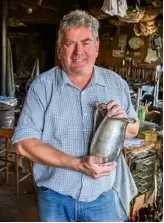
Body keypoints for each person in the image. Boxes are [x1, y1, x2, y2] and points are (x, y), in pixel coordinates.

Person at [12, 10, 140, 222]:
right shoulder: (42, 86)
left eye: (86, 42)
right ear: (59, 49)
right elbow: (24, 143)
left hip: (103, 198)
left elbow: (134, 129)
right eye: (70, 43)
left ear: (97, 46)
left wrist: (120, 121)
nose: (78, 51)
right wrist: (77, 164)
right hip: (55, 198)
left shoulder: (116, 83)